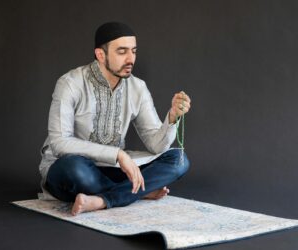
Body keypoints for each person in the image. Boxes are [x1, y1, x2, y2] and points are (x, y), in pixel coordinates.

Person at [38, 22, 191, 215]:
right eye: (122, 51)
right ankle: (136, 192)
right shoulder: (70, 83)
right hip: (73, 168)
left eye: (133, 51)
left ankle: (102, 200)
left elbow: (156, 145)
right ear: (100, 55)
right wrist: (118, 154)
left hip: (113, 169)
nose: (130, 59)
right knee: (75, 170)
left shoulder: (138, 87)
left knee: (179, 159)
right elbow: (60, 143)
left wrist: (172, 117)